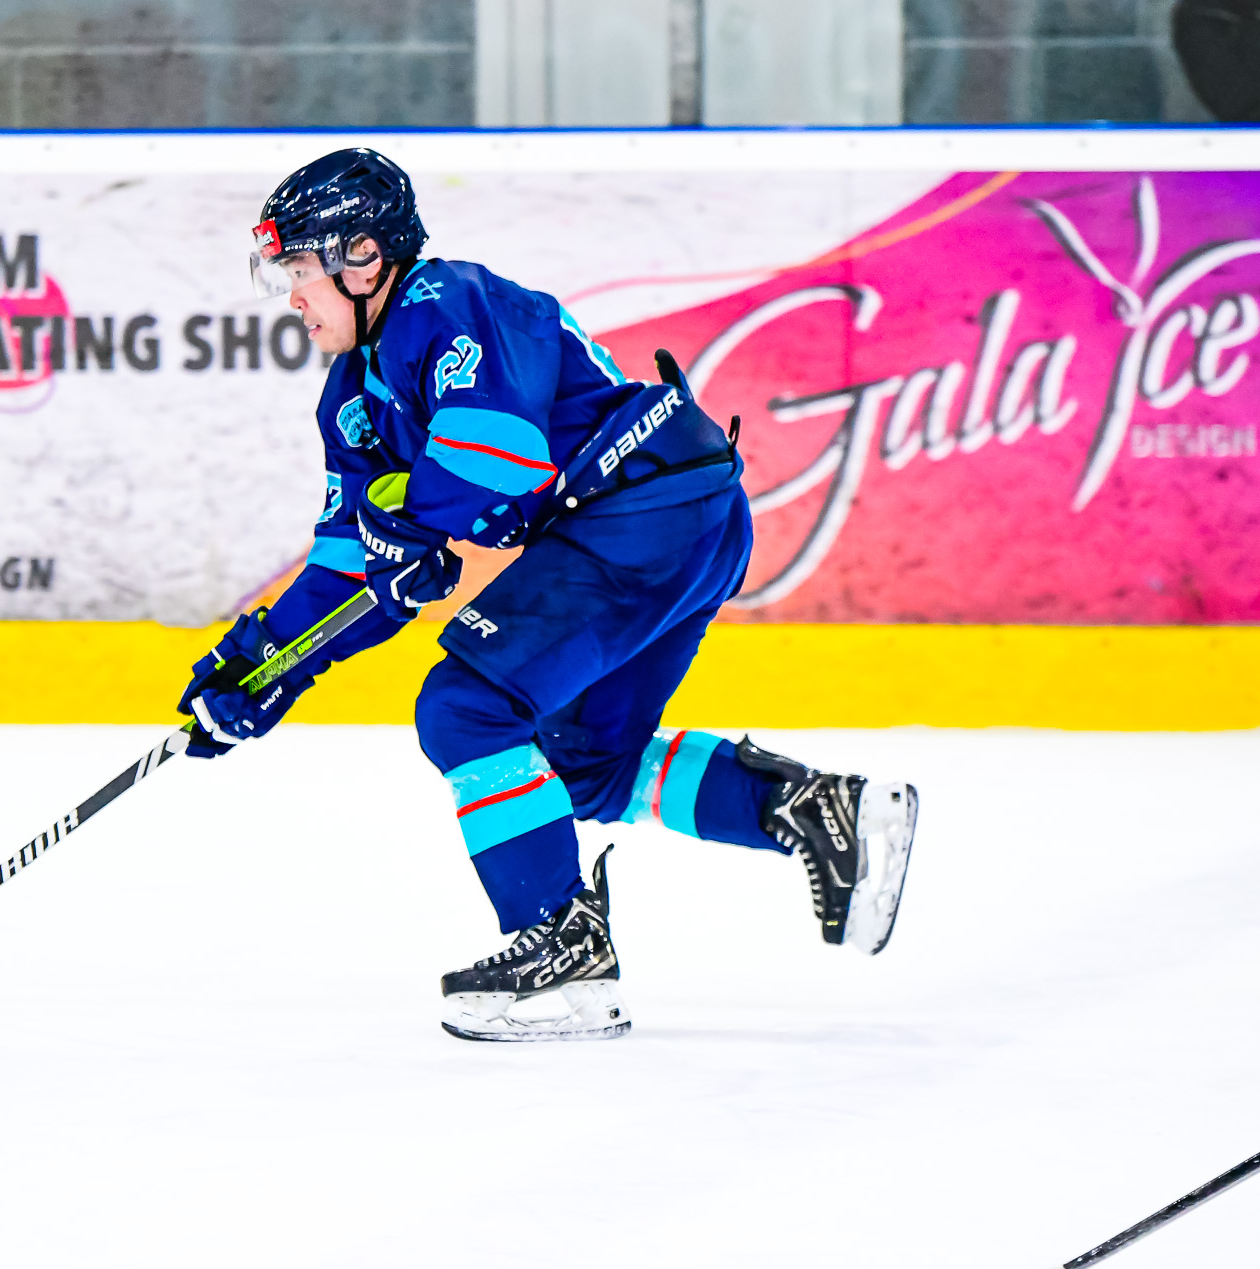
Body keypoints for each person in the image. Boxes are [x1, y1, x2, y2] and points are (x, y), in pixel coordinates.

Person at [177, 148, 919, 1042]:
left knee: (465, 707)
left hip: (644, 513)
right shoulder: (351, 400)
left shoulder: (448, 303)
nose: (292, 297)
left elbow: (498, 457)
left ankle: (561, 946)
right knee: (584, 768)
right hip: (669, 517)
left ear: (363, 258)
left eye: (301, 269)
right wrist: (264, 665)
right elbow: (352, 571)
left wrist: (408, 527)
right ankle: (817, 812)